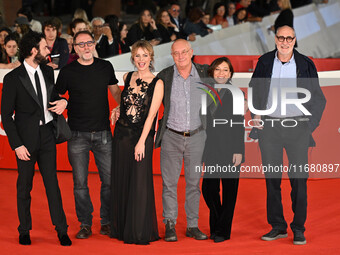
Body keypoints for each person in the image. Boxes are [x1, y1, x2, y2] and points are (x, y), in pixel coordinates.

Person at [249, 25, 326, 245]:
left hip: (298, 129)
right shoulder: (264, 62)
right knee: (272, 180)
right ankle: (278, 226)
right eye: (281, 38)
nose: (285, 42)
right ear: (275, 39)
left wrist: (308, 126)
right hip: (269, 129)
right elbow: (254, 90)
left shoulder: (306, 64)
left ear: (294, 40)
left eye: (289, 38)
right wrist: (256, 115)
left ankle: (299, 228)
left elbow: (319, 99)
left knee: (299, 181)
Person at [1, 31, 71, 246]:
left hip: (47, 135)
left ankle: (61, 229)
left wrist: (64, 103)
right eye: (44, 47)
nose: (48, 50)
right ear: (33, 51)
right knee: (24, 187)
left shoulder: (48, 73)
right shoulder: (13, 78)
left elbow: (54, 99)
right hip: (26, 141)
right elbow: (6, 115)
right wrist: (17, 145)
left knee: (53, 185)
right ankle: (24, 230)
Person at [55, 30, 121, 239]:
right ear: (74, 48)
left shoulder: (105, 67)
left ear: (94, 45)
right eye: (80, 44)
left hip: (103, 134)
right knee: (80, 184)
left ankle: (107, 222)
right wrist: (64, 101)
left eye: (89, 43)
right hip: (76, 136)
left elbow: (115, 91)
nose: (85, 47)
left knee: (109, 182)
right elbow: (54, 96)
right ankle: (85, 223)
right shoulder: (67, 72)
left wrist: (121, 106)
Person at [155, 39, 210, 242]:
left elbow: (225, 82)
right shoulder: (165, 76)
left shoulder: (205, 73)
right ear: (172, 55)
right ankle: (170, 223)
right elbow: (149, 100)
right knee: (169, 184)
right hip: (171, 137)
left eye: (184, 52)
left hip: (197, 136)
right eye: (176, 53)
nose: (180, 56)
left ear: (191, 52)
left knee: (193, 184)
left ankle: (192, 225)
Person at [110, 40, 164, 245]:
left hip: (141, 137)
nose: (141, 60)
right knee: (122, 178)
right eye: (137, 56)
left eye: (145, 55)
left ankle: (139, 231)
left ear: (151, 57)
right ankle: (122, 228)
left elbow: (151, 116)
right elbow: (125, 102)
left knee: (140, 182)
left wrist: (142, 142)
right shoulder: (127, 76)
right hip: (121, 134)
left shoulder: (157, 82)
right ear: (133, 58)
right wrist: (117, 109)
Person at [201, 57, 245, 243]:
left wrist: (238, 150)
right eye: (217, 69)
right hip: (210, 148)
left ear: (230, 73)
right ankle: (219, 223)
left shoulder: (236, 93)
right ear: (212, 72)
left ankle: (223, 231)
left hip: (230, 149)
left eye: (225, 70)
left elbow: (239, 124)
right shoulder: (205, 92)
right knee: (208, 189)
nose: (221, 73)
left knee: (229, 192)